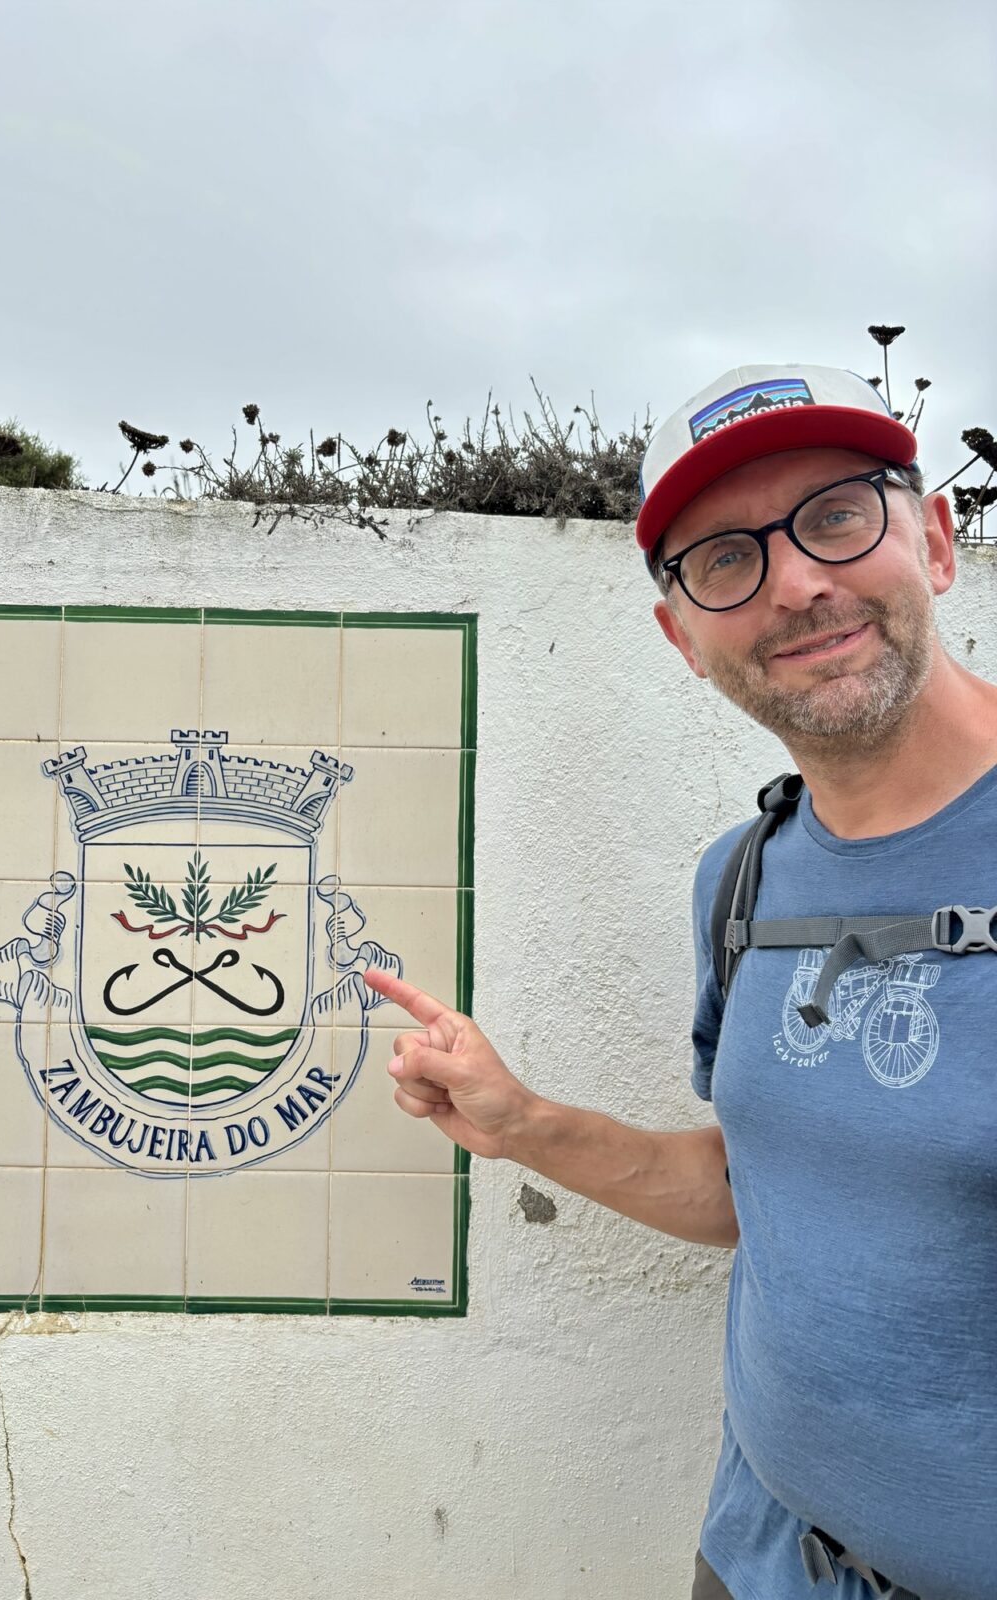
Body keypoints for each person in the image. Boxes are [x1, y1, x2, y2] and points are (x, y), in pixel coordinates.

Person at [364, 364, 997, 1600]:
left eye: (836, 515)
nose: (796, 584)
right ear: (682, 639)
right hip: (758, 1560)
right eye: (724, 560)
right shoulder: (741, 879)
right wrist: (522, 1121)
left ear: (933, 539)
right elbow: (766, 1188)